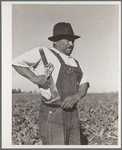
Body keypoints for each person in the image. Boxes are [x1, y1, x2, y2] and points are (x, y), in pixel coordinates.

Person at [12, 22, 90, 145]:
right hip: (53, 113)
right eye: (67, 40)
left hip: (73, 114)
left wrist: (76, 96)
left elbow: (84, 83)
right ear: (55, 41)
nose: (71, 44)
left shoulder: (75, 62)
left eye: (73, 41)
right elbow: (16, 62)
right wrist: (34, 77)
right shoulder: (43, 52)